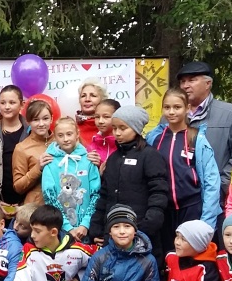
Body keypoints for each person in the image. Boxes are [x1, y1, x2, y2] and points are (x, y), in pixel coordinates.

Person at [148, 88, 220, 251]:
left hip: (191, 207)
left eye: (177, 107)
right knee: (167, 254)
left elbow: (211, 180)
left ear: (187, 108)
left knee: (190, 255)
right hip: (163, 209)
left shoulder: (196, 138)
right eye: (167, 107)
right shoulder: (154, 138)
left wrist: (207, 221)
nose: (171, 112)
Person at [89, 105, 169, 249]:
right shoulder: (113, 158)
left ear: (136, 129)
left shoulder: (150, 155)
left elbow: (158, 194)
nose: (117, 133)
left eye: (123, 128)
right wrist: (96, 228)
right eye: (114, 128)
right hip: (113, 235)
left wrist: (147, 226)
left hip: (142, 235)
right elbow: (104, 196)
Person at [174, 61, 232, 197]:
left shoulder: (230, 113)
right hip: (178, 194)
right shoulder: (170, 116)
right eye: (182, 81)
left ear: (208, 83)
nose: (185, 86)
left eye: (192, 80)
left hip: (214, 194)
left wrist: (222, 185)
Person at [41, 117, 100, 239]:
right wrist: (67, 227)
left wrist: (85, 224)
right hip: (60, 228)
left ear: (77, 134)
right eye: (60, 135)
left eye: (69, 134)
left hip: (86, 229)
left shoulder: (88, 161)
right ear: (55, 137)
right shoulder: (50, 163)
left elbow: (96, 194)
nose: (65, 139)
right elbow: (49, 197)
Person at [11, 99, 54, 206]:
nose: (41, 124)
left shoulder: (61, 141)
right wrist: (38, 168)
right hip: (36, 208)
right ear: (28, 121)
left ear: (51, 119)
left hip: (63, 204)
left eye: (45, 118)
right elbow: (18, 187)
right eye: (36, 120)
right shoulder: (22, 148)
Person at [74, 81, 108, 149]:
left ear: (102, 100)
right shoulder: (71, 128)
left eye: (93, 95)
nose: (87, 99)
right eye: (83, 96)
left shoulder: (111, 127)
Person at [88, 99, 120, 170]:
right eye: (97, 117)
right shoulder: (92, 146)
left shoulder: (124, 144)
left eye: (106, 117)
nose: (100, 121)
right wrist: (94, 168)